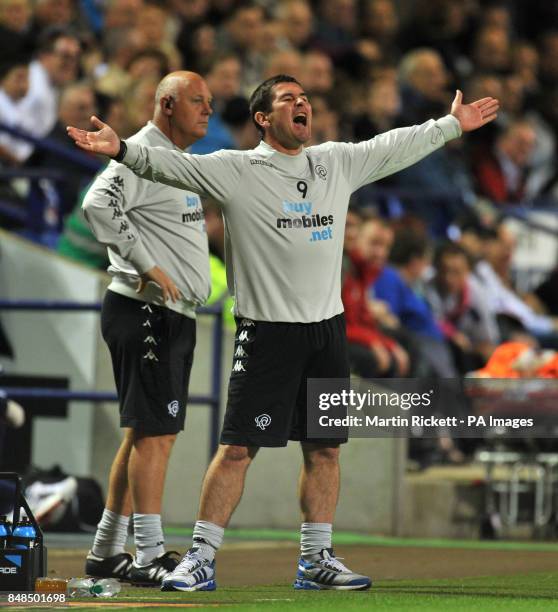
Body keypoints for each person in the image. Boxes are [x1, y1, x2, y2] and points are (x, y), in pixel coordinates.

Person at [67, 74, 499, 592]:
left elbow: (393, 146)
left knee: (326, 449)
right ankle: (200, 557)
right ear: (263, 119)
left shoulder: (334, 162)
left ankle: (316, 559)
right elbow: (171, 164)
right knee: (237, 449)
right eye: (288, 99)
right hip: (267, 332)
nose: (302, 104)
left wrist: (451, 125)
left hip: (327, 333)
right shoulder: (235, 170)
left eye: (306, 98)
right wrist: (123, 151)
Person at [80, 71, 212, 586]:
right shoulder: (140, 152)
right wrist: (145, 262)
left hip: (166, 314)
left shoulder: (174, 162)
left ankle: (106, 551)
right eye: (197, 101)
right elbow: (97, 205)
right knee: (155, 436)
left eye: (210, 102)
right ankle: (149, 554)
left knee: (144, 434)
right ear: (166, 103)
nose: (207, 110)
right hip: (145, 310)